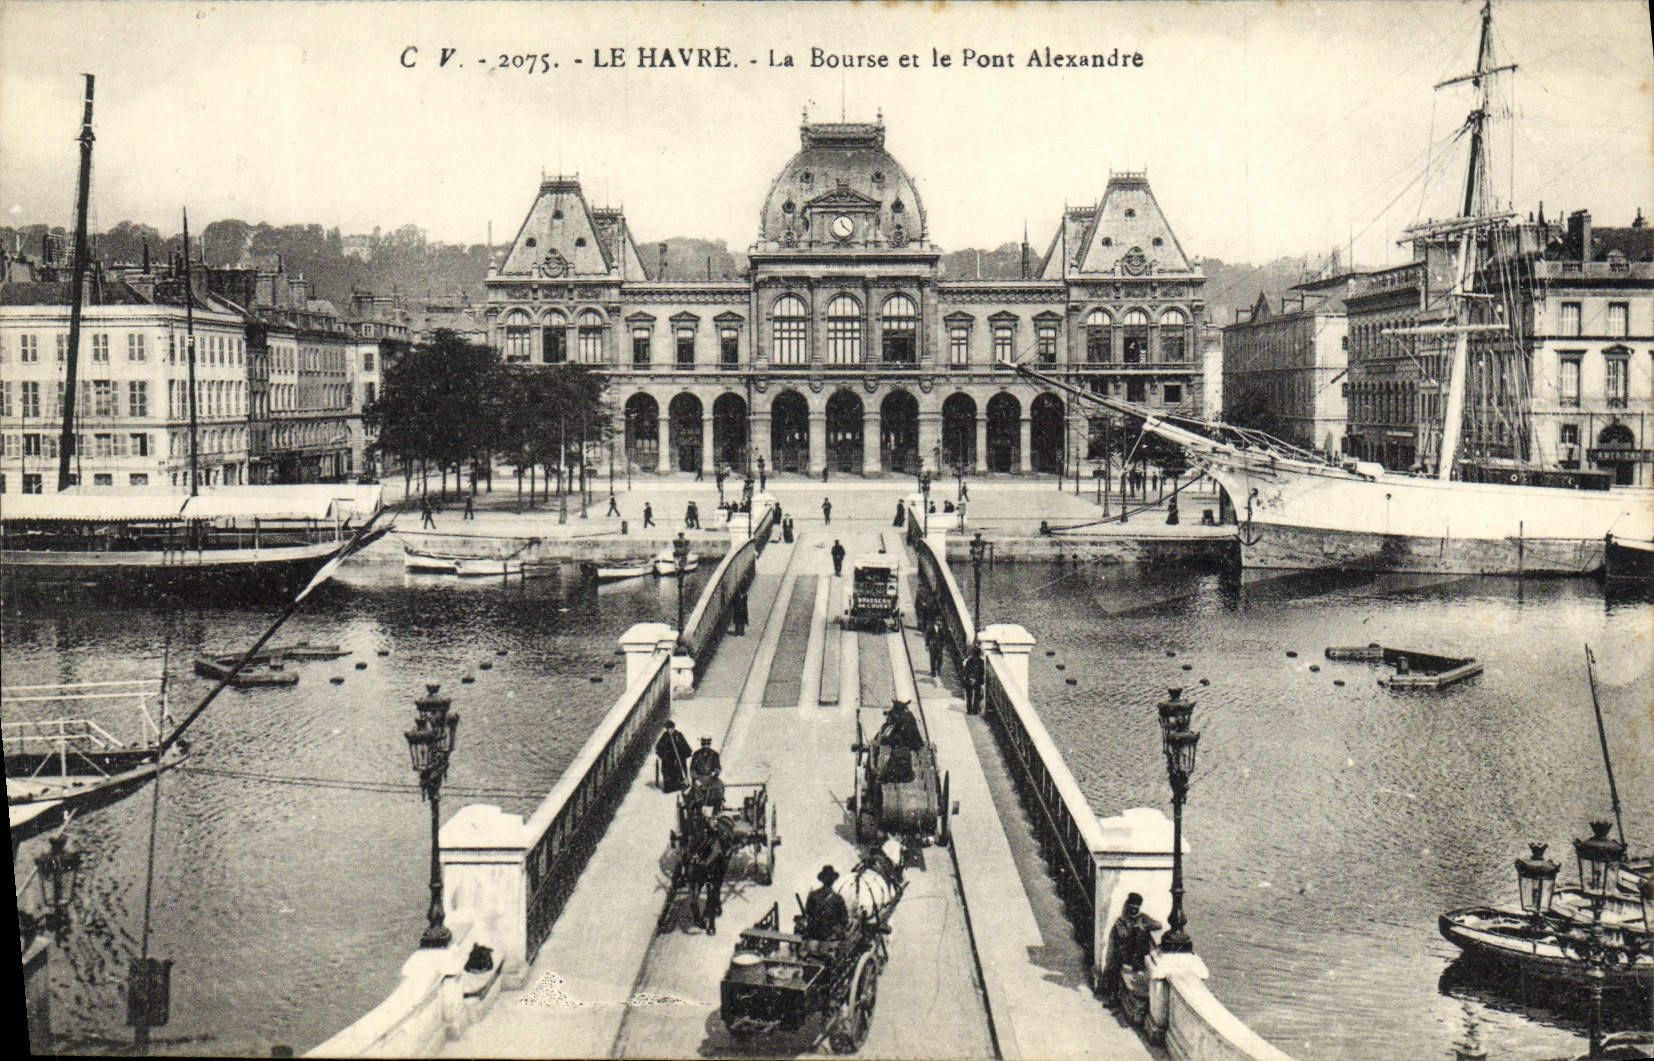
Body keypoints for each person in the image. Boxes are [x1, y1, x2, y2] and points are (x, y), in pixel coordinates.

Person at [1103, 893, 1162, 1019]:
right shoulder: (1122, 920)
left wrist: (1144, 926)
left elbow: (1158, 925)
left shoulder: (1143, 918)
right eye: (1131, 907)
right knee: (1113, 970)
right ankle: (1113, 999)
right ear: (1128, 906)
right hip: (1123, 953)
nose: (1133, 910)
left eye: (1136, 908)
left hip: (1138, 955)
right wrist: (1132, 930)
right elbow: (1121, 935)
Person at [803, 865, 849, 941]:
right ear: (823, 879)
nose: (829, 879)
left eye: (830, 877)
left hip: (829, 936)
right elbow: (808, 913)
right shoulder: (814, 895)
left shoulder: (837, 898)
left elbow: (844, 919)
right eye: (827, 877)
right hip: (816, 934)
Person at [655, 720, 692, 793]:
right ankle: (670, 786)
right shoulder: (665, 736)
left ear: (673, 728)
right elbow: (659, 747)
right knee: (668, 772)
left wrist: (684, 754)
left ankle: (681, 784)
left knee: (680, 771)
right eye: (667, 729)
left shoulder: (678, 735)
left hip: (679, 758)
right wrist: (663, 755)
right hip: (668, 759)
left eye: (670, 728)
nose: (669, 730)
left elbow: (684, 745)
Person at [963, 644, 985, 715]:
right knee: (976, 696)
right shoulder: (981, 662)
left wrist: (970, 678)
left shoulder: (969, 661)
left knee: (969, 696)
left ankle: (969, 710)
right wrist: (975, 678)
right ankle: (974, 710)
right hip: (977, 680)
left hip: (970, 680)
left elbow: (966, 670)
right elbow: (982, 672)